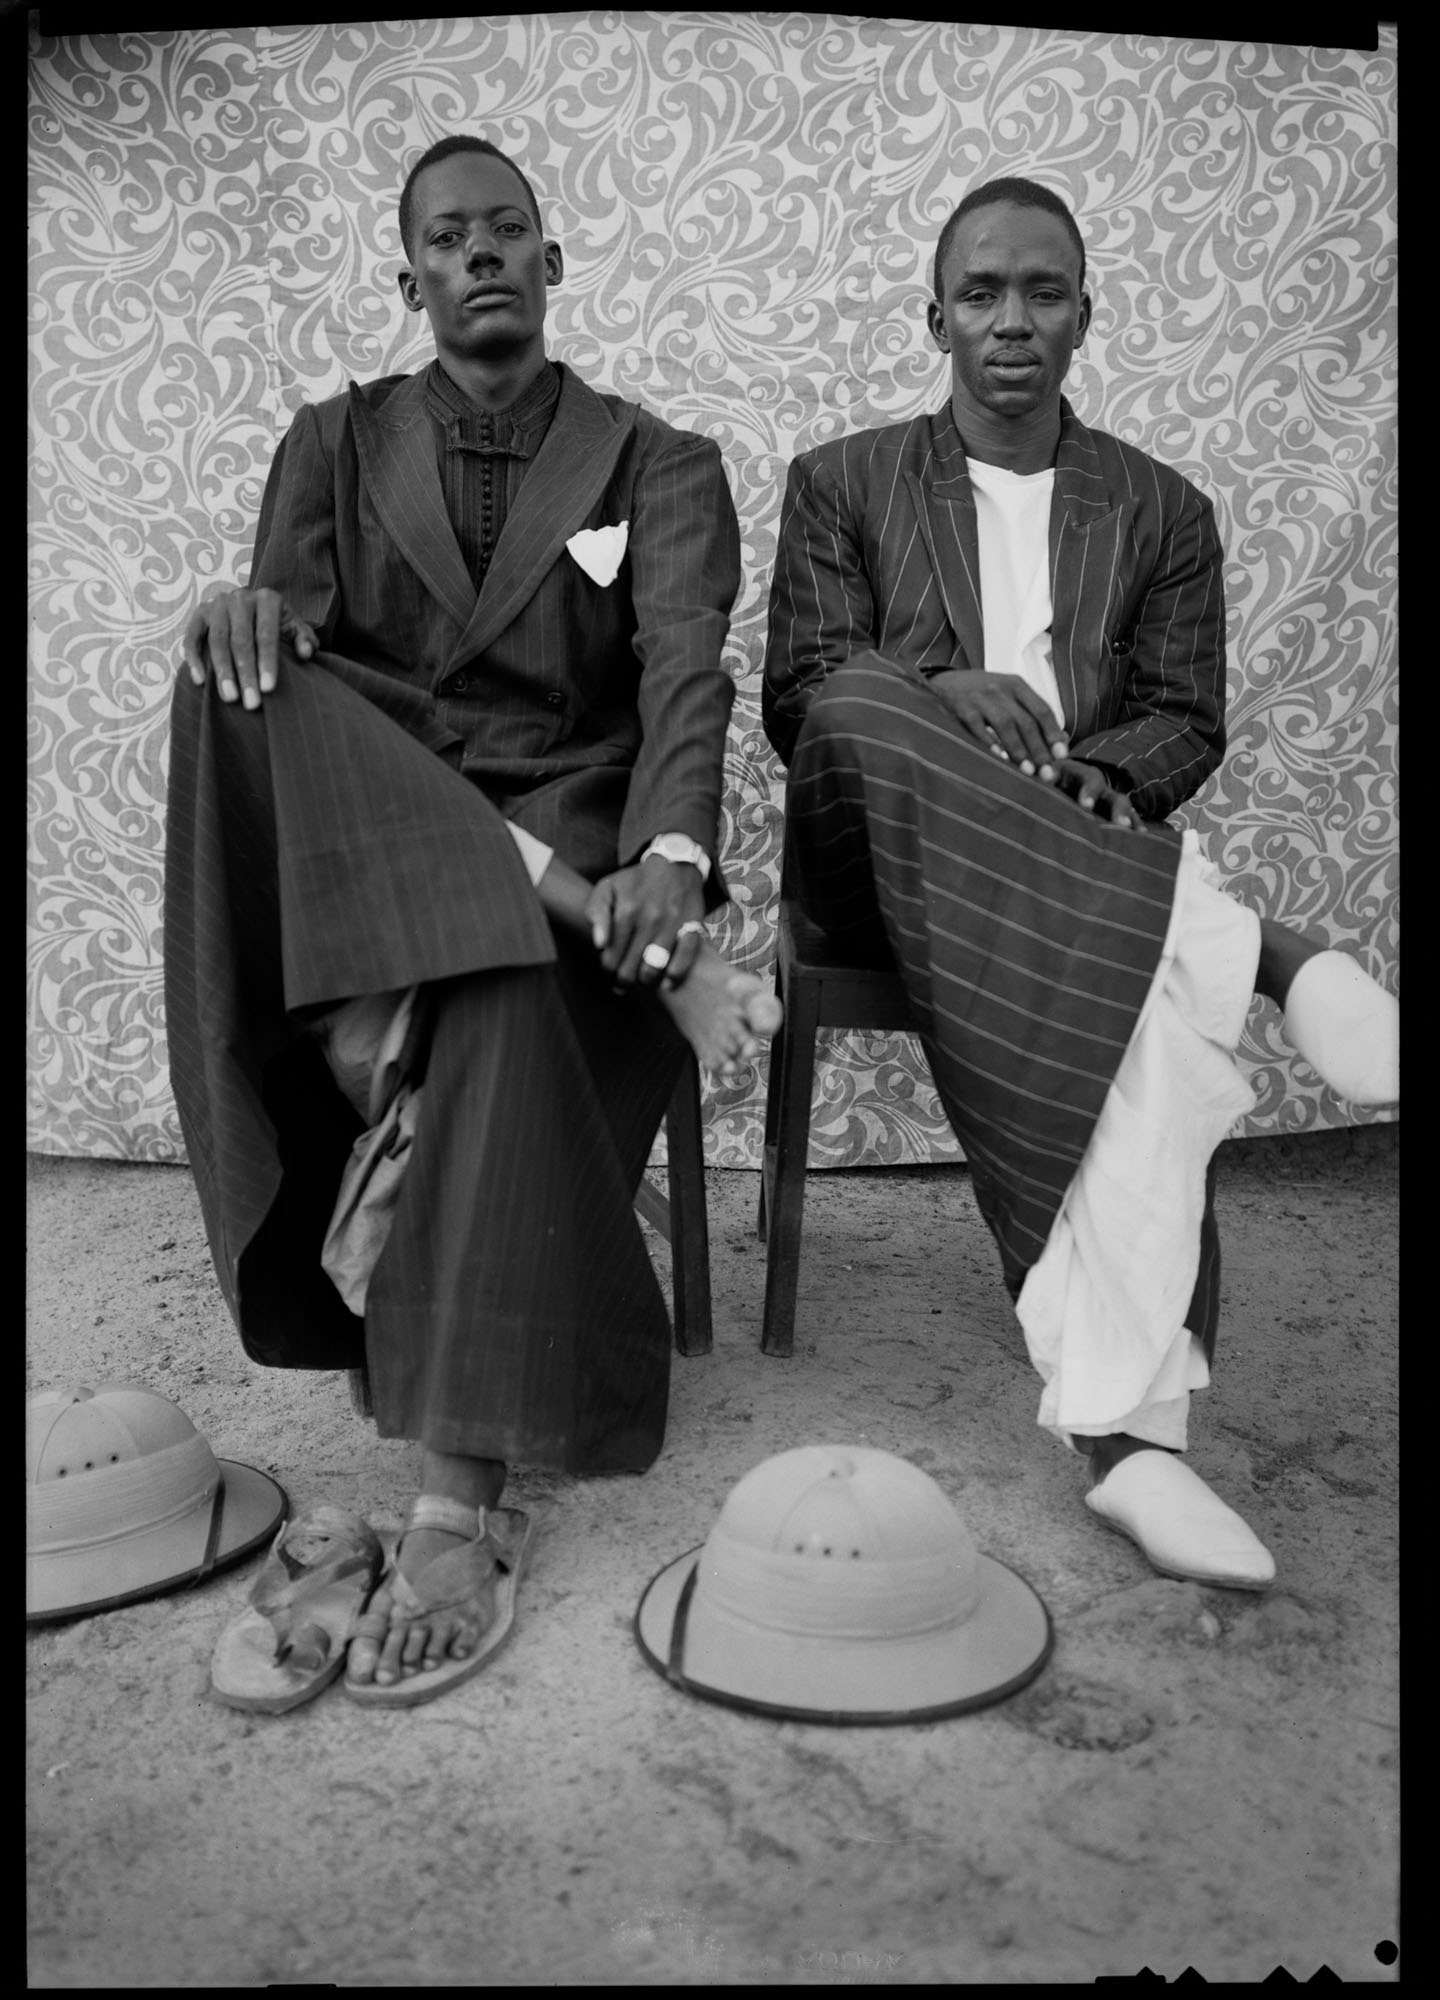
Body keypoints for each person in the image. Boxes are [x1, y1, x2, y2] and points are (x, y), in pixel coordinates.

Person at [165, 134, 779, 1702]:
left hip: (576, 825)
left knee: (502, 981)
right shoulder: (329, 441)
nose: (484, 253)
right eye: (451, 238)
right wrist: (246, 619)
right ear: (411, 279)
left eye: (512, 229)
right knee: (229, 664)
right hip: (373, 859)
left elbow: (682, 673)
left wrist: (673, 859)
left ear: (554, 264)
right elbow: (296, 694)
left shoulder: (661, 460)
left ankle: (455, 1498)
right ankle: (560, 921)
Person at [762, 176, 1397, 1591]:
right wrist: (937, 692)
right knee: (865, 699)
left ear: (1087, 318)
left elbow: (1186, 713)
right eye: (981, 292)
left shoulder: (1163, 509)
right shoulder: (844, 481)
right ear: (935, 316)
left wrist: (1094, 777)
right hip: (881, 863)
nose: (1011, 319)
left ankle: (1131, 1452)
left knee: (1133, 991)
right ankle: (1273, 957)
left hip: (1081, 853)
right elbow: (802, 698)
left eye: (1043, 291)